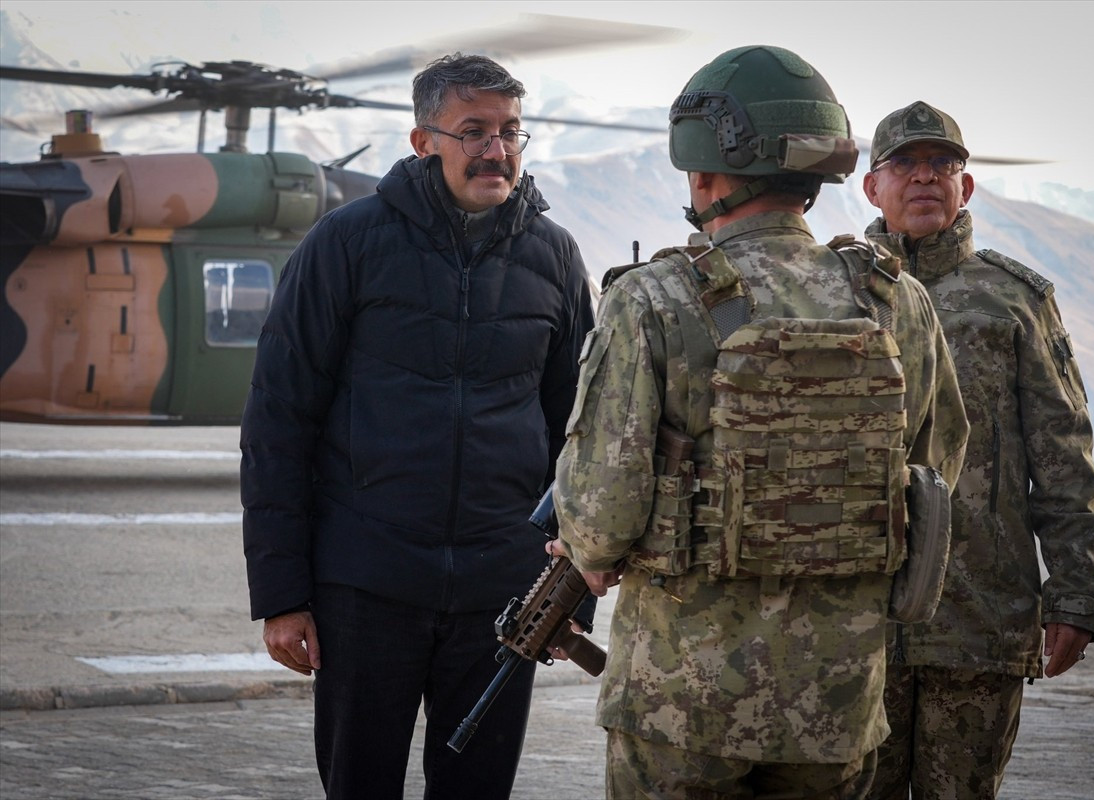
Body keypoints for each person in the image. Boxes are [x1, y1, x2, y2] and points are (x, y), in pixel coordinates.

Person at [551, 46, 969, 799]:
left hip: (683, 700)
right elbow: (933, 467)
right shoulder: (894, 299)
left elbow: (603, 514)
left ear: (703, 172)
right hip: (836, 701)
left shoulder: (653, 299)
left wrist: (586, 546)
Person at [240, 53, 593, 799]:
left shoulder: (556, 257)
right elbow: (279, 420)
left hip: (501, 596)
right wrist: (281, 594)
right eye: (473, 131)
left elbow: (580, 435)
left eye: (509, 132)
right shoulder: (347, 244)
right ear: (423, 141)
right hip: (366, 589)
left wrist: (571, 591)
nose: (495, 149)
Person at [860, 101, 1094, 799]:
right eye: (904, 164)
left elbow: (1063, 453)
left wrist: (1078, 594)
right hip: (853, 622)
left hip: (979, 621)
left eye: (942, 164)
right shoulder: (835, 292)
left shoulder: (1015, 300)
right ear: (871, 186)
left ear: (965, 187)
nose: (924, 178)